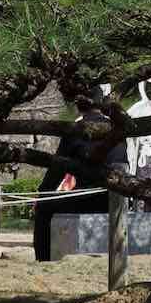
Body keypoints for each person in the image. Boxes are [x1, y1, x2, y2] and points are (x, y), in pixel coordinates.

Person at [31, 106, 125, 263]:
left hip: (89, 197)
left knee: (44, 208)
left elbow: (57, 168)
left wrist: (42, 195)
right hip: (116, 197)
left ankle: (43, 260)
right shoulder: (119, 128)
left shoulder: (76, 130)